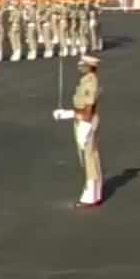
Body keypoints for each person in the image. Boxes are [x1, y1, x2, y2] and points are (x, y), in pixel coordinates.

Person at [52, 54, 104, 208]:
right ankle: (94, 192)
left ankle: (91, 194)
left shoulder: (90, 83)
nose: (79, 65)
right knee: (89, 157)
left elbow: (88, 107)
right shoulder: (85, 80)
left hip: (86, 121)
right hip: (82, 119)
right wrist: (68, 114)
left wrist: (86, 126)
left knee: (89, 158)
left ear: (90, 66)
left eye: (83, 63)